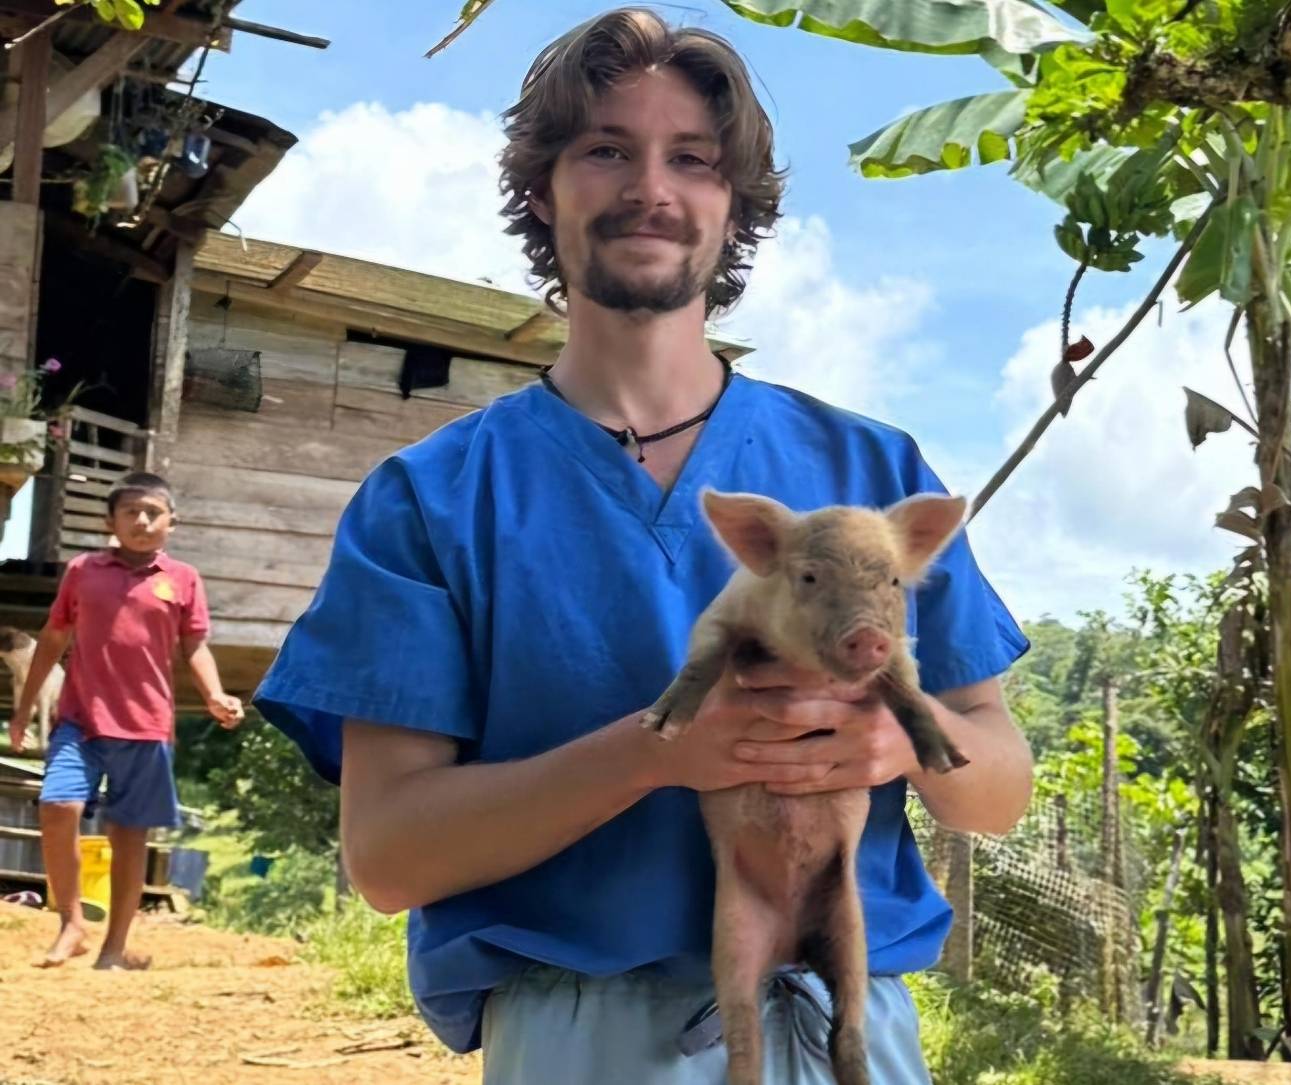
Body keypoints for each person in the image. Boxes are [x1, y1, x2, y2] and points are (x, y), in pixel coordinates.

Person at [253, 8, 1034, 1083]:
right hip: (582, 1038)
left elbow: (996, 786)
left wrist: (900, 741)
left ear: (734, 203)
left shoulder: (871, 472)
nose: (651, 190)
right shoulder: (432, 500)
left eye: (693, 160)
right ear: (542, 189)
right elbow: (389, 854)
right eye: (606, 150)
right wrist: (657, 752)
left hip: (843, 1028)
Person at [8, 471, 245, 969]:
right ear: (109, 521)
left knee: (129, 832)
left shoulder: (182, 580)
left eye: (153, 512)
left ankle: (114, 947)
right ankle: (72, 922)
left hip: (146, 725)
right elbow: (53, 639)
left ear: (171, 522)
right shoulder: (83, 571)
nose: (141, 520)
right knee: (57, 806)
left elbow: (194, 645)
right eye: (130, 512)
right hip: (80, 720)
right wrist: (25, 709)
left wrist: (216, 694)